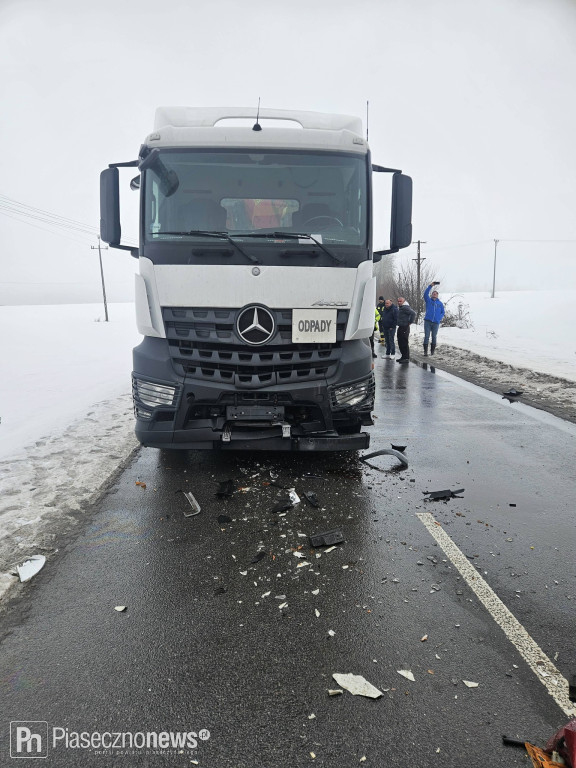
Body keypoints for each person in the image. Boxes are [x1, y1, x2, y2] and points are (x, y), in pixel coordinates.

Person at [423, 282, 445, 355]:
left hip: (436, 323)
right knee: (426, 336)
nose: (434, 294)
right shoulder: (428, 301)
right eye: (433, 293)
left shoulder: (440, 303)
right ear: (432, 294)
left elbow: (443, 312)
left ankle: (432, 352)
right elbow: (425, 294)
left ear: (438, 295)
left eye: (436, 293)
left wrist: (439, 318)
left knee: (434, 337)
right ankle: (425, 351)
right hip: (428, 322)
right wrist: (430, 286)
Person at [396, 297, 416, 363]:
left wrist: (410, 322)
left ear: (403, 301)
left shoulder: (405, 307)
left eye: (400, 301)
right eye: (398, 301)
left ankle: (406, 358)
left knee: (404, 342)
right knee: (400, 342)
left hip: (405, 327)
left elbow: (413, 313)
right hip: (401, 326)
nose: (399, 302)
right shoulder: (401, 307)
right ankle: (403, 356)